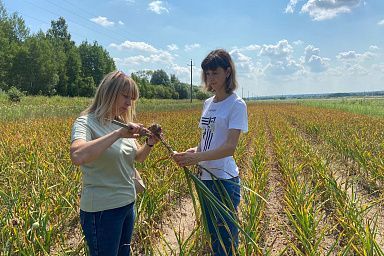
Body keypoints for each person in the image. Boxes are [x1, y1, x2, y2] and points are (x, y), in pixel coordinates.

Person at [70, 70, 159, 256]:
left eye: (132, 99)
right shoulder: (86, 122)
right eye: (125, 96)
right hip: (102, 211)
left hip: (127, 204)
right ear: (108, 93)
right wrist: (117, 134)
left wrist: (150, 143)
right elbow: (78, 156)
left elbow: (138, 157)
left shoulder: (121, 124)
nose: (129, 103)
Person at [173, 49, 248, 255]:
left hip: (223, 179)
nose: (211, 78)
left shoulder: (236, 105)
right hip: (204, 177)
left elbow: (230, 147)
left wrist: (196, 157)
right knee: (212, 230)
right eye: (207, 73)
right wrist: (194, 151)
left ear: (227, 72)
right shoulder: (207, 103)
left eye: (215, 73)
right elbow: (208, 139)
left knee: (225, 232)